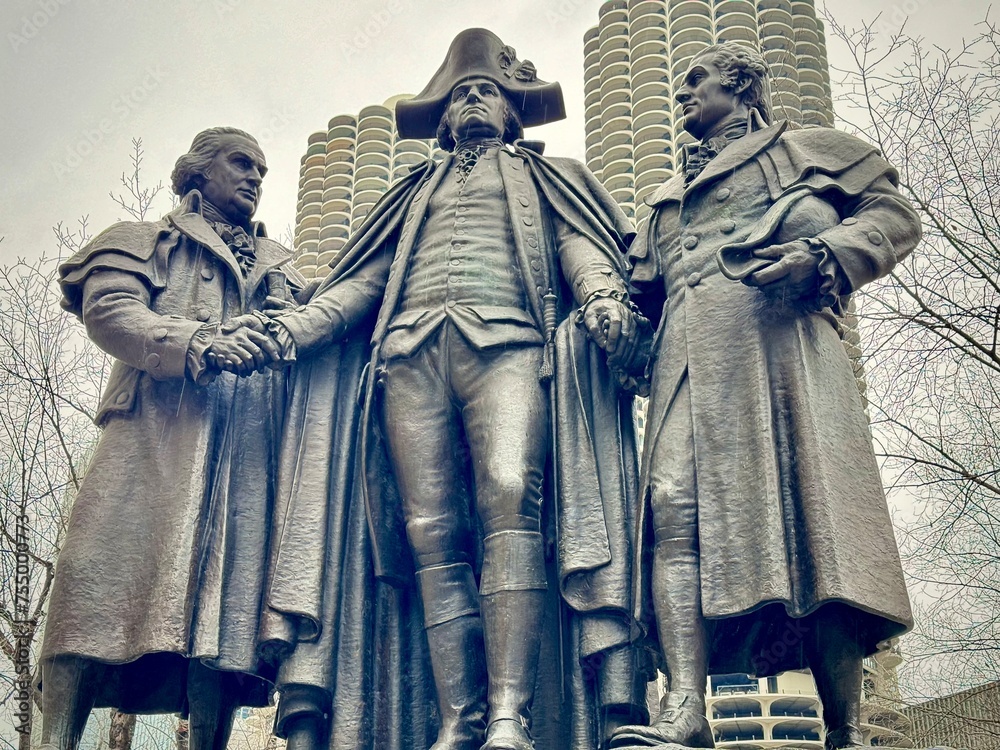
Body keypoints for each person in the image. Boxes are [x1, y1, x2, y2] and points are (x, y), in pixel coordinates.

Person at [256, 28, 650, 750]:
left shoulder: (547, 176)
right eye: (462, 94)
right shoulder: (410, 194)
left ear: (510, 111)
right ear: (443, 118)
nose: (473, 101)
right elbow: (361, 284)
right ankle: (458, 719)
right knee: (430, 532)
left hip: (509, 346)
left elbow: (580, 247)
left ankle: (508, 715)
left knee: (510, 496)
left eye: (487, 93)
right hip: (408, 357)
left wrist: (600, 296)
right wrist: (291, 332)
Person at [610, 43, 920, 750]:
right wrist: (610, 327)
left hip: (780, 351)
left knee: (816, 519)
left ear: (742, 85)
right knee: (671, 507)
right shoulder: (662, 201)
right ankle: (684, 708)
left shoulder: (809, 150)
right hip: (684, 362)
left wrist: (824, 255)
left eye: (697, 79)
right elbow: (641, 302)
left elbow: (894, 216)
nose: (682, 93)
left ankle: (846, 727)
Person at [41, 127, 305, 750]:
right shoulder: (143, 240)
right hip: (152, 435)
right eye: (241, 163)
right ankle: (54, 739)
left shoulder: (283, 268)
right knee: (96, 575)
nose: (255, 178)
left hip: (247, 449)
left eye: (262, 171)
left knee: (223, 614)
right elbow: (112, 311)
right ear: (199, 170)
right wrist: (197, 343)